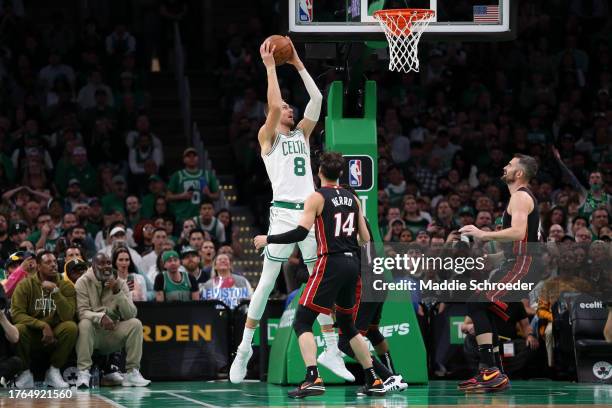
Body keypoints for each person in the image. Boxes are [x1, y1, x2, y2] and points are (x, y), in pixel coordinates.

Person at [231, 37, 350, 384]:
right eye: (285, 106)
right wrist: (270, 68)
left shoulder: (301, 135)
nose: (289, 108)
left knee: (320, 281)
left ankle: (330, 348)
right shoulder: (267, 136)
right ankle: (244, 348)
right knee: (266, 283)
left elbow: (316, 99)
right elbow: (270, 108)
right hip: (283, 213)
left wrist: (297, 62)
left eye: (288, 106)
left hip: (312, 215)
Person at [254, 152, 385, 398]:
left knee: (302, 321)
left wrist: (267, 239)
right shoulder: (352, 198)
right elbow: (367, 239)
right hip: (353, 264)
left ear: (319, 173)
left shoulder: (315, 197)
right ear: (341, 174)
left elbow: (300, 234)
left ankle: (312, 377)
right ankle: (374, 379)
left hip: (331, 263)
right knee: (347, 325)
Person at [458, 154, 541, 392]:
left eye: (510, 165)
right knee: (486, 310)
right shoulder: (518, 198)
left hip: (522, 264)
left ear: (519, 173)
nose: (505, 167)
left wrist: (483, 234)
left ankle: (490, 370)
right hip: (517, 261)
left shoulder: (521, 196)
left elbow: (517, 232)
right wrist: (493, 258)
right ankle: (493, 372)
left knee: (476, 302)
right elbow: (523, 240)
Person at [74, 253, 150, 388]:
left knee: (135, 324)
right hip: (93, 334)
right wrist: (100, 317)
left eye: (108, 263)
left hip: (112, 332)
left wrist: (117, 292)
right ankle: (83, 372)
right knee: (84, 323)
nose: (106, 267)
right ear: (93, 266)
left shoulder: (120, 282)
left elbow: (131, 314)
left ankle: (132, 372)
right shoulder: (83, 282)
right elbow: (82, 312)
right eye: (101, 264)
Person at [11, 251, 78, 388]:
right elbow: (17, 314)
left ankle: (54, 371)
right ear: (38, 267)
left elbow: (68, 316)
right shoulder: (25, 285)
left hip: (56, 334)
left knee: (71, 327)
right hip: (32, 333)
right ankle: (25, 373)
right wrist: (42, 325)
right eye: (48, 262)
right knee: (18, 329)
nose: (53, 265)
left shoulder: (66, 286)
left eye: (54, 262)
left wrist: (56, 292)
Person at [166, 148, 220, 222]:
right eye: (188, 156)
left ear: (198, 158)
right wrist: (182, 196)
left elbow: (217, 195)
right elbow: (168, 197)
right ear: (184, 159)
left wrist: (209, 194)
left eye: (194, 156)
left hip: (203, 218)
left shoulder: (207, 175)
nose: (192, 158)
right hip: (183, 218)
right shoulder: (177, 175)